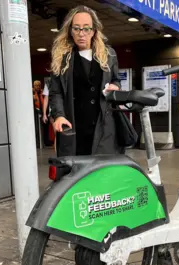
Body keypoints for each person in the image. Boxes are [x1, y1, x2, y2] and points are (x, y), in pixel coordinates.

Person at [49, 5, 122, 157]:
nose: (81, 34)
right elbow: (55, 92)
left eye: (86, 28)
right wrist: (59, 115)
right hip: (74, 126)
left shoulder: (109, 55)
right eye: (76, 28)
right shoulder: (62, 58)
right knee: (76, 174)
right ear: (70, 31)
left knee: (103, 174)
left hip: (104, 127)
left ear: (94, 30)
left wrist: (115, 86)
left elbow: (116, 79)